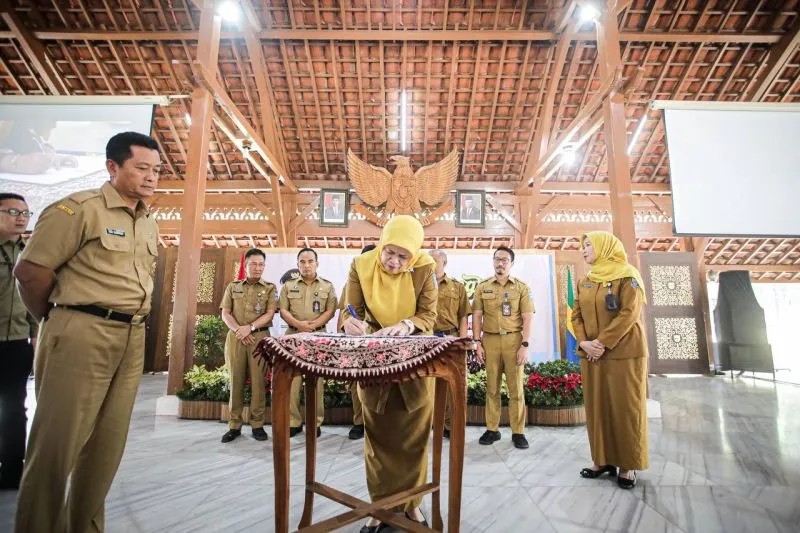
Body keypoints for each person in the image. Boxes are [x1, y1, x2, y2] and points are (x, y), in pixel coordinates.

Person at [12, 131, 161, 532]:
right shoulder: (78, 210)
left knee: (105, 449)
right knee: (55, 448)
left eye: (156, 170)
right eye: (142, 168)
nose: (151, 177)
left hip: (130, 337)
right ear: (113, 167)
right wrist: (59, 318)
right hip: (81, 331)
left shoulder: (148, 221)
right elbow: (31, 271)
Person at [342, 215, 437, 532]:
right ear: (381, 245)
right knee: (379, 441)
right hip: (374, 366)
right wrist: (348, 322)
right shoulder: (361, 265)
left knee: (413, 439)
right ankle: (381, 506)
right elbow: (349, 308)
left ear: (413, 255)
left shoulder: (425, 269)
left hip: (415, 367)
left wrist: (407, 325)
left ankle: (412, 506)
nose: (394, 262)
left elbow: (428, 315)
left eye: (403, 256)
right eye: (389, 252)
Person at [571, 231, 649, 489]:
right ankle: (602, 460)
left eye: (589, 245)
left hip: (623, 354)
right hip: (593, 355)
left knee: (625, 409)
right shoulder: (586, 280)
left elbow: (629, 313)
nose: (584, 250)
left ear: (605, 247)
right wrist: (584, 343)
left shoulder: (628, 276)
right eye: (583, 246)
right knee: (597, 408)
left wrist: (602, 343)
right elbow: (576, 315)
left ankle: (628, 465)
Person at [472, 245, 534, 450]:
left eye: (504, 260)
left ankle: (518, 432)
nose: (500, 263)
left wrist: (524, 345)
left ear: (511, 264)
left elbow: (527, 318)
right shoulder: (482, 287)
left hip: (514, 340)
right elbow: (477, 316)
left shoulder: (521, 288)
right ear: (493, 262)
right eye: (497, 259)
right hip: (489, 341)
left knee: (516, 389)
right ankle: (492, 429)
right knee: (492, 388)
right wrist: (476, 342)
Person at [219, 248, 277, 443]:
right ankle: (234, 425)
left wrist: (250, 328)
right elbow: (225, 313)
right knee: (235, 381)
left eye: (261, 264)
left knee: (259, 383)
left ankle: (257, 425)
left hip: (259, 339)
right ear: (246, 265)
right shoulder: (233, 286)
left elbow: (269, 313)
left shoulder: (269, 287)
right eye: (253, 264)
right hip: (236, 338)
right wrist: (239, 330)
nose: (257, 268)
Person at [279, 247, 337, 438]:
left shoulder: (327, 286)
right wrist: (299, 325)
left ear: (317, 264)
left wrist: (312, 326)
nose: (306, 265)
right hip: (293, 336)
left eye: (310, 261)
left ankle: (315, 423)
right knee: (293, 382)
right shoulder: (288, 286)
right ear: (297, 265)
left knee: (316, 382)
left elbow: (330, 310)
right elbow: (283, 310)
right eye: (302, 262)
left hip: (318, 337)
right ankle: (293, 422)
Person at [0, 193, 37, 490]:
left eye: (25, 212)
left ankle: (12, 470)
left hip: (15, 343)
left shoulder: (29, 251)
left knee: (15, 407)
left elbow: (33, 295)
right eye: (13, 211)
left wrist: (36, 333)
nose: (21, 217)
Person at [429, 249, 471, 439]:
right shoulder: (420, 285)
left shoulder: (457, 287)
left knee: (452, 384)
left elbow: (463, 315)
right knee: (426, 384)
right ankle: (428, 424)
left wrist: (461, 342)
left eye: (435, 260)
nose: (431, 263)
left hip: (450, 338)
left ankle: (450, 426)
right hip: (427, 339)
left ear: (444, 263)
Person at [337, 243, 375, 440]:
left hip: (379, 342)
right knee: (356, 385)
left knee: (378, 382)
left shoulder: (387, 284)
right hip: (356, 341)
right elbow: (344, 313)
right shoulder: (350, 284)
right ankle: (359, 423)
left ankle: (375, 424)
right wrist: (343, 333)